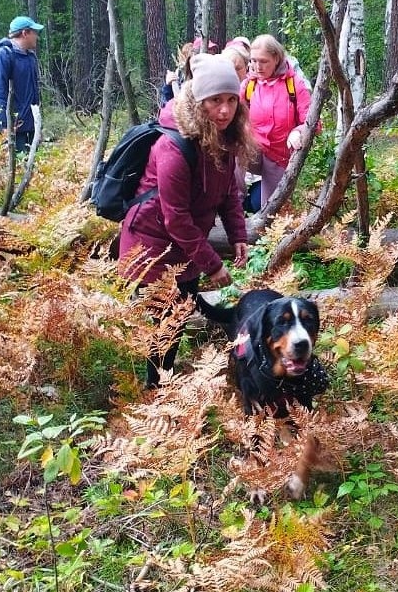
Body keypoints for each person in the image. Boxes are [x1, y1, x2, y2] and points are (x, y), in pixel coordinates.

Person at [119, 53, 256, 387]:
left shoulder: (224, 138)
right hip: (151, 247)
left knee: (178, 316)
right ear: (199, 102)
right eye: (214, 101)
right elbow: (175, 217)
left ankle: (165, 382)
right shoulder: (174, 147)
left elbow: (226, 193)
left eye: (230, 100)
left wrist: (238, 234)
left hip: (185, 248)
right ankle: (156, 387)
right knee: (163, 320)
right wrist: (213, 265)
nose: (224, 110)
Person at [242, 34, 314, 207]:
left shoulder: (294, 84)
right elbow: (232, 114)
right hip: (254, 149)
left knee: (271, 211)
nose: (257, 66)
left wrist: (298, 131)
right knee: (231, 149)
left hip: (279, 157)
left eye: (263, 61)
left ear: (276, 58)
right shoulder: (249, 85)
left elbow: (312, 122)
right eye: (253, 61)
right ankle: (232, 202)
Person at [0, 15, 44, 152]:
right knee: (14, 170)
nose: (37, 36)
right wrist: (4, 126)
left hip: (31, 128)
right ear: (25, 33)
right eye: (34, 32)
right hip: (13, 129)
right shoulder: (2, 55)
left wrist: (38, 127)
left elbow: (34, 95)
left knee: (31, 168)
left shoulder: (30, 57)